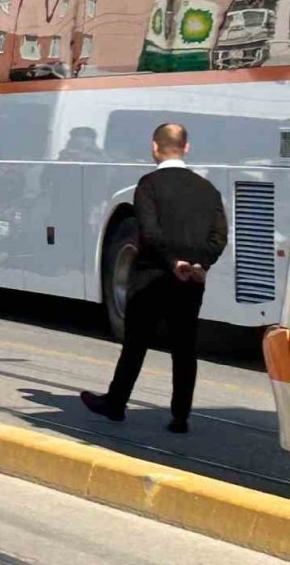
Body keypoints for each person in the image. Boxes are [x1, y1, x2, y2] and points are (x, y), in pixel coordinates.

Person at [81, 123, 228, 434]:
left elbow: (149, 231)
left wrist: (173, 261)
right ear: (186, 148)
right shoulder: (207, 188)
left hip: (150, 276)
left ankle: (116, 404)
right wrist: (200, 264)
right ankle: (180, 416)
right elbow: (219, 236)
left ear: (154, 147)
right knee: (185, 348)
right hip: (191, 280)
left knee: (135, 344)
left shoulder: (148, 184)